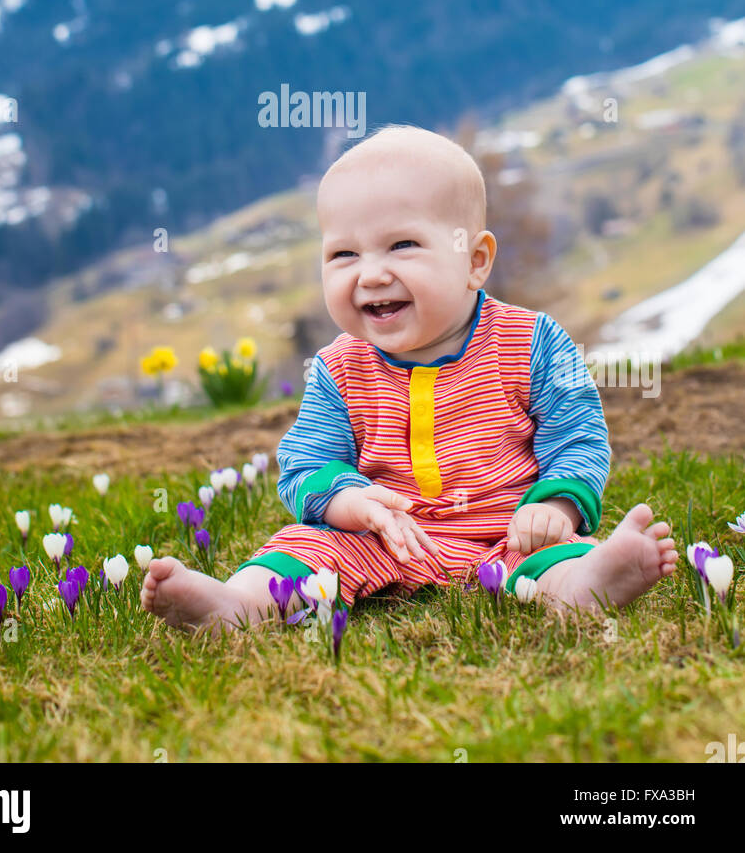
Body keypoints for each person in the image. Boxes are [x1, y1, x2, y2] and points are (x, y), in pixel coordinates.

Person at [141, 125, 677, 631]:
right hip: (386, 538)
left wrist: (554, 507)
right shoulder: (339, 367)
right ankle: (237, 605)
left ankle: (587, 584)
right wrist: (352, 503)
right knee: (305, 550)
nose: (370, 273)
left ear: (474, 260)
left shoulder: (530, 342)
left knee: (552, 559)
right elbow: (306, 463)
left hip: (510, 530)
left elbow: (577, 434)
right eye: (343, 254)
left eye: (402, 246)